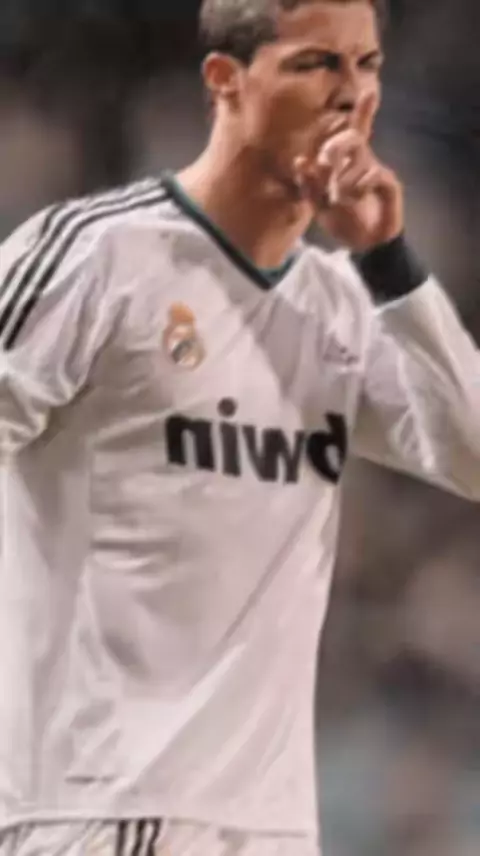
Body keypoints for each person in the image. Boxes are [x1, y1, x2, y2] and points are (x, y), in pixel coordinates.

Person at [0, 0, 479, 854]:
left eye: (367, 65)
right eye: (315, 63)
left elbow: (472, 456)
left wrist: (390, 264)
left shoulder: (342, 305)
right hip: (105, 812)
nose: (351, 93)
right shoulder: (96, 257)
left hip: (271, 827)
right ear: (225, 80)